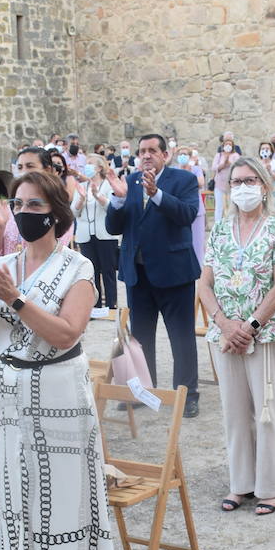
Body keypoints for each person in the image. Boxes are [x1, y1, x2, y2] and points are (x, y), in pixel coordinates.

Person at [0, 170, 115, 550]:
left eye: (34, 206)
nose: (24, 213)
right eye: (18, 204)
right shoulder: (5, 263)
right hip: (12, 391)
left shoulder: (79, 268)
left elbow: (68, 332)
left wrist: (16, 299)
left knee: (64, 491)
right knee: (24, 489)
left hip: (59, 389)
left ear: (55, 212)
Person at [197, 157, 275, 515]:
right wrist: (225, 323)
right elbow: (204, 283)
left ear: (264, 186)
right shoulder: (220, 230)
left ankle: (271, 487)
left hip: (267, 333)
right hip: (224, 335)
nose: (244, 187)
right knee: (235, 411)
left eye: (251, 180)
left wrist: (250, 326)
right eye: (237, 180)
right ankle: (241, 483)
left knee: (268, 410)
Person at [105, 134, 202, 418]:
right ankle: (143, 392)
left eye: (151, 151)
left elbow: (187, 215)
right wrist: (119, 200)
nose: (146, 155)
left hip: (174, 273)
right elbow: (113, 228)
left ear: (164, 155)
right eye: (141, 151)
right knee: (141, 337)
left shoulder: (182, 181)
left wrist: (156, 194)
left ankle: (187, 394)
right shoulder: (130, 182)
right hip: (138, 273)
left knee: (181, 337)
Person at [0, 146, 50, 262]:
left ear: (47, 170)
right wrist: (0, 227)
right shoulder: (11, 207)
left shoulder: (55, 209)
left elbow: (54, 257)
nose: (23, 171)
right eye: (20, 167)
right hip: (9, 278)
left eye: (30, 166)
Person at [75, 155, 119, 312]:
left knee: (108, 270)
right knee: (91, 271)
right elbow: (74, 212)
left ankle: (111, 305)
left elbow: (112, 208)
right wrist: (81, 199)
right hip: (85, 235)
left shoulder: (109, 185)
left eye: (90, 164)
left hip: (105, 234)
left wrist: (97, 196)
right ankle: (96, 305)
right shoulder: (81, 186)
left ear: (99, 168)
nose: (86, 167)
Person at [212, 134, 238, 218]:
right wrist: (223, 164)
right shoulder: (219, 155)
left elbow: (238, 167)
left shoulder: (235, 155)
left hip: (232, 184)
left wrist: (229, 163)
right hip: (219, 184)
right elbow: (214, 167)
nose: (228, 146)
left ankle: (231, 223)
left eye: (230, 144)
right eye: (226, 144)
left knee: (232, 206)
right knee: (219, 206)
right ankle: (217, 224)